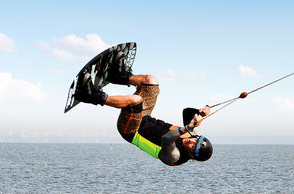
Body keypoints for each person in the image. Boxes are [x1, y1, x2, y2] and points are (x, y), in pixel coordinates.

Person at [75, 68, 213, 166]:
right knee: (151, 81)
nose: (192, 142)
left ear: (192, 155)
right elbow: (187, 112)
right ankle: (118, 75)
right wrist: (200, 113)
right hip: (145, 116)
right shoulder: (192, 135)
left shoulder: (176, 156)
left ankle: (90, 96)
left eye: (193, 147)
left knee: (135, 101)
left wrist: (188, 127)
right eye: (196, 140)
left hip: (131, 131)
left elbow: (167, 139)